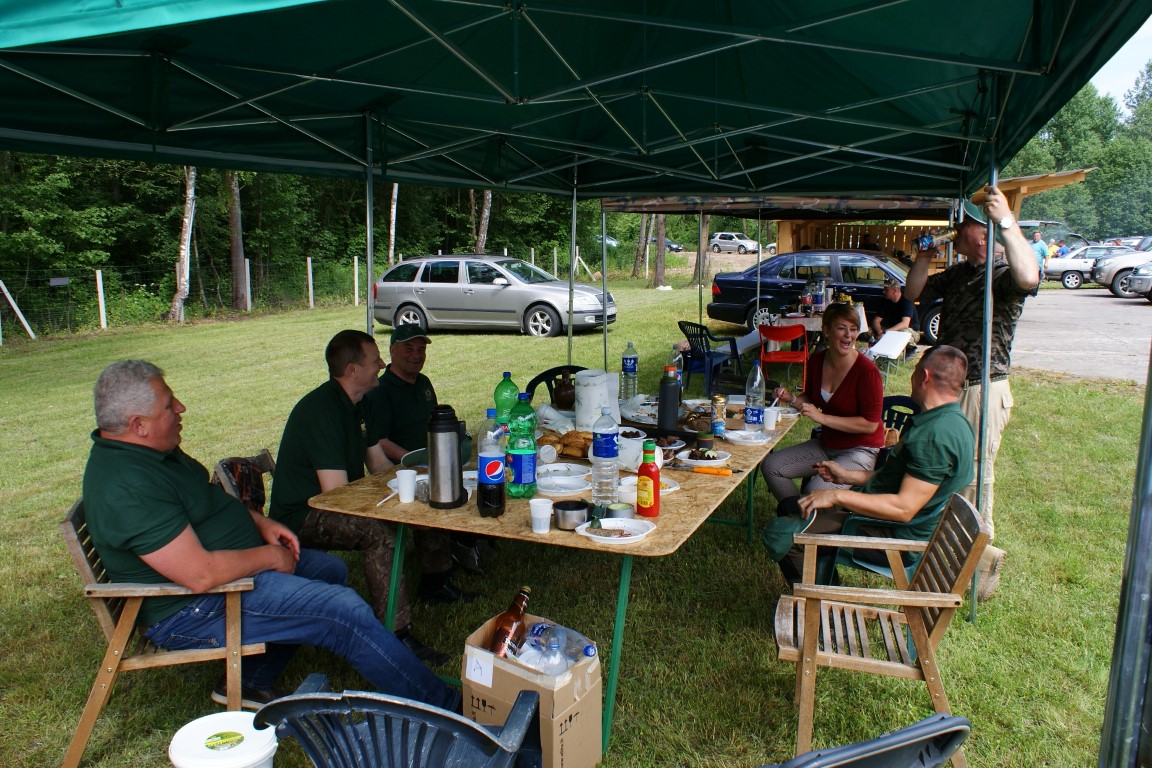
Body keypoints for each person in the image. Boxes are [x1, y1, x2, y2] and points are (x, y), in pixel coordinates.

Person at [81, 360, 460, 711]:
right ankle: (444, 706)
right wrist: (268, 556)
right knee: (343, 610)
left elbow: (208, 499)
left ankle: (252, 680)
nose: (181, 407)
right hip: (192, 608)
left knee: (330, 571)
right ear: (138, 424)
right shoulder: (127, 485)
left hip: (223, 577)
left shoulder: (153, 452)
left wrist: (261, 524)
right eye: (169, 404)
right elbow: (200, 574)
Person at [268, 329, 448, 665]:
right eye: (374, 360)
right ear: (352, 370)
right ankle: (397, 635)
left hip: (333, 500)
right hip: (302, 514)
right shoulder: (321, 410)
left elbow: (378, 463)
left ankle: (436, 583)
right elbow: (336, 494)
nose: (381, 364)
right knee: (378, 530)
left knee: (421, 500)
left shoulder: (360, 403)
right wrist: (389, 508)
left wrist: (416, 488)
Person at [904, 184, 1039, 600]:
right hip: (950, 389)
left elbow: (1030, 277)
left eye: (962, 225)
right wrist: (923, 258)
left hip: (982, 388)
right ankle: (958, 558)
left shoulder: (1001, 272)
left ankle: (979, 562)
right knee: (945, 469)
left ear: (983, 233)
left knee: (975, 475)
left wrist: (1007, 222)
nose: (955, 230)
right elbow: (912, 293)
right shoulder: (962, 272)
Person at [764, 345, 975, 584]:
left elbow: (903, 508)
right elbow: (895, 479)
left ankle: (820, 599)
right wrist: (846, 476)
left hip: (890, 535)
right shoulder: (952, 422)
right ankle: (824, 580)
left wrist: (837, 496)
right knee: (790, 506)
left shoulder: (935, 436)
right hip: (882, 520)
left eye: (915, 369)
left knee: (781, 534)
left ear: (924, 377)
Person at [363, 323, 489, 585]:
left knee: (482, 476)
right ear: (392, 350)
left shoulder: (423, 383)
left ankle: (468, 539)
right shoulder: (381, 390)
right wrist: (418, 460)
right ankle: (438, 578)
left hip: (434, 458)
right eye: (409, 348)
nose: (416, 355)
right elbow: (380, 441)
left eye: (421, 349)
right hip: (404, 468)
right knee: (444, 490)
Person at [761, 302, 885, 506]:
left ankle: (804, 516)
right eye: (841, 328)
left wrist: (822, 418)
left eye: (853, 329)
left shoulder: (867, 372)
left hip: (860, 450)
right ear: (826, 330)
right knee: (772, 466)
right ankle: (796, 514)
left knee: (814, 492)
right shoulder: (817, 361)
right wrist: (791, 399)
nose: (848, 335)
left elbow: (870, 424)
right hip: (827, 444)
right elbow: (811, 397)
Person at [868, 277, 920, 347]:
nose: (883, 292)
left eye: (886, 290)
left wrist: (886, 333)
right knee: (868, 331)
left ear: (894, 291)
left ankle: (911, 349)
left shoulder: (906, 302)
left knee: (903, 334)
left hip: (910, 330)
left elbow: (905, 324)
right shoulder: (885, 302)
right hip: (891, 329)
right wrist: (879, 332)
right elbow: (876, 321)